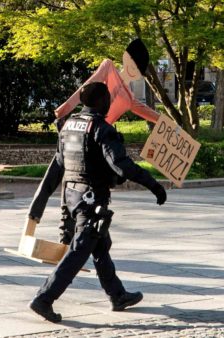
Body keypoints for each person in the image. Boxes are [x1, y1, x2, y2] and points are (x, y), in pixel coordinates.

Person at [28, 82, 167, 323]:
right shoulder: (102, 129)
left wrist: (39, 204)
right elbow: (120, 165)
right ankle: (44, 298)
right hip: (92, 200)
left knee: (100, 245)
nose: (110, 103)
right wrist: (153, 185)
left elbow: (58, 166)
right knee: (79, 250)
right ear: (102, 101)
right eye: (108, 99)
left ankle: (118, 295)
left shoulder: (69, 126)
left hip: (72, 196)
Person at [28, 38, 159, 244]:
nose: (133, 70)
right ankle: (45, 222)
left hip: (98, 140)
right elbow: (85, 88)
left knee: (82, 181)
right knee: (58, 171)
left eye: (138, 69)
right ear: (125, 57)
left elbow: (147, 112)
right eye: (132, 63)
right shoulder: (108, 67)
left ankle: (73, 236)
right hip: (80, 129)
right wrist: (64, 110)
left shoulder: (130, 96)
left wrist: (170, 125)